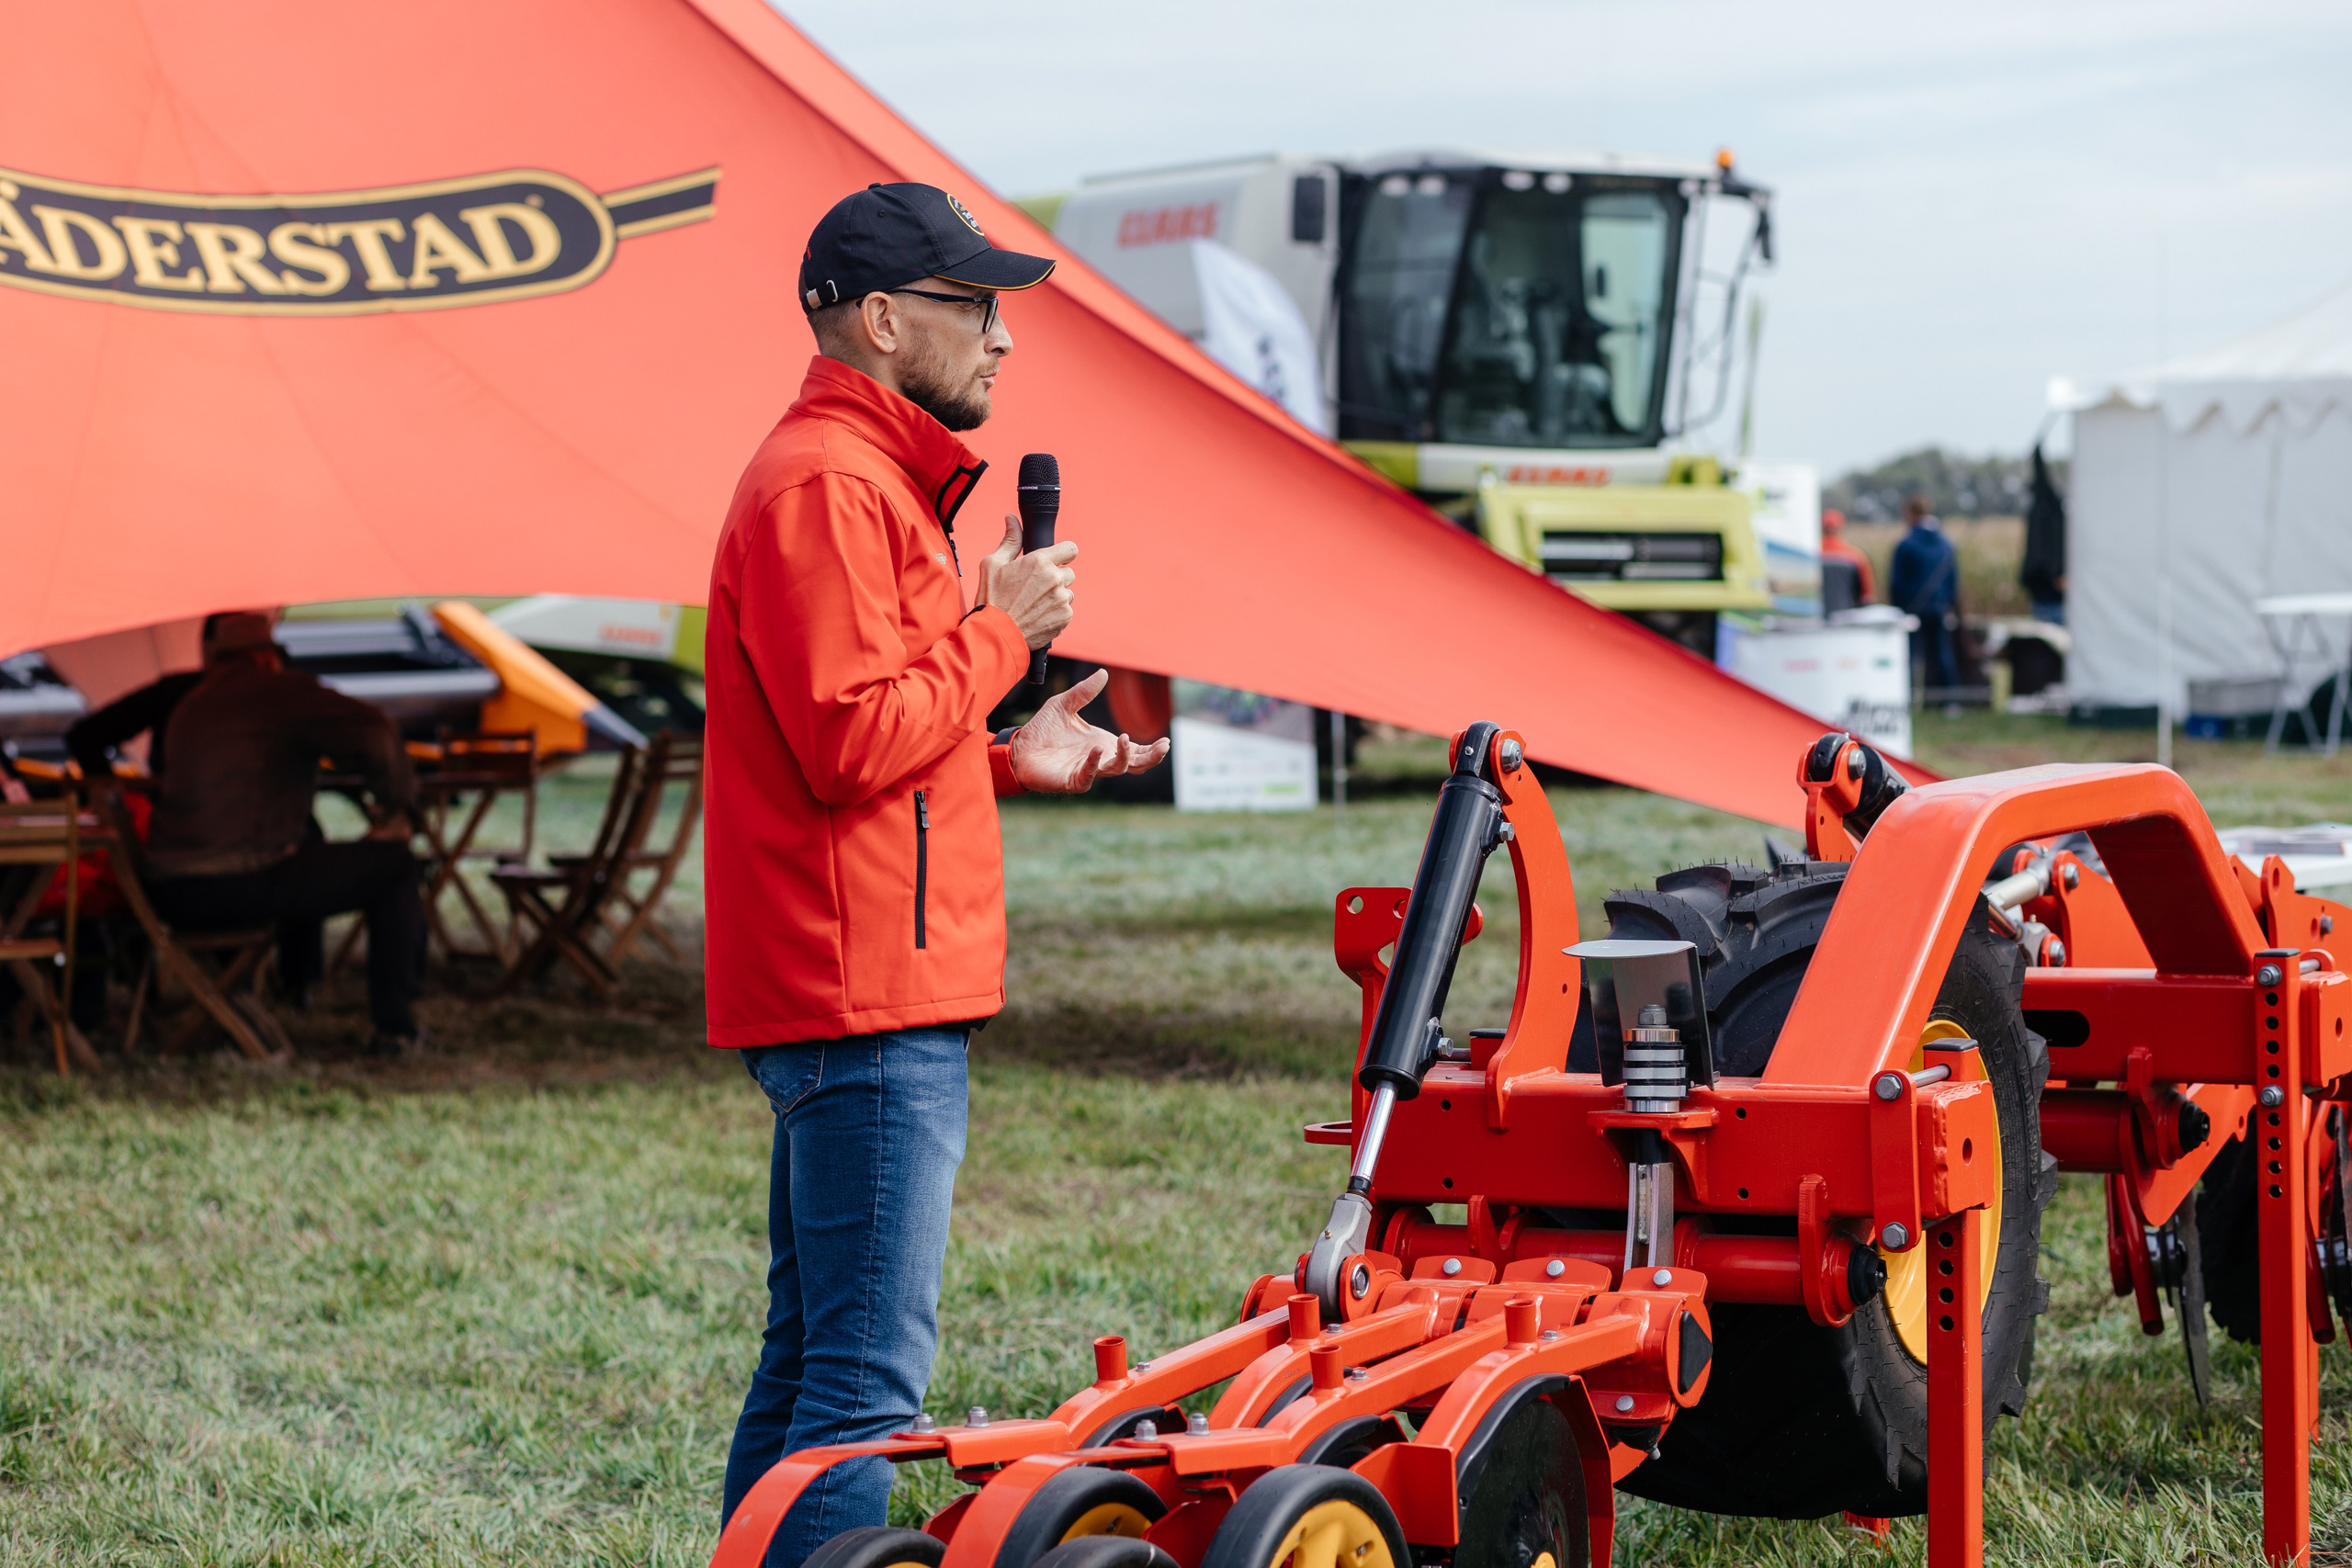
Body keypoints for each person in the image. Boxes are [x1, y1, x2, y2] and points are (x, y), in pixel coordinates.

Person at [704, 182, 1169, 1566]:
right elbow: (851, 740)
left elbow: (873, 725)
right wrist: (999, 636)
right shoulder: (831, 487)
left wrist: (1007, 739)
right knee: (861, 1390)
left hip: (866, 982)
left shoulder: (862, 480)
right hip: (866, 999)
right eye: (977, 308)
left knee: (812, 1366)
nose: (1003, 339)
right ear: (885, 317)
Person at [139, 612, 428, 1054]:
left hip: (170, 889)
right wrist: (395, 807)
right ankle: (396, 1026)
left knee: (309, 849)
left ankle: (297, 984)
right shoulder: (280, 694)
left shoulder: (192, 705)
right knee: (394, 866)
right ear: (267, 656)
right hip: (236, 881)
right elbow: (376, 732)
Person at [1888, 494, 1961, 694]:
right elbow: (1953, 580)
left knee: (1911, 656)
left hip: (1912, 609)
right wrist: (1951, 605)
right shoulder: (1947, 544)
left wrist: (1898, 607)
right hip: (1940, 607)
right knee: (1942, 654)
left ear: (1910, 513)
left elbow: (1897, 582)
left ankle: (1909, 698)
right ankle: (1949, 699)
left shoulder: (1906, 544)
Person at [1818, 507, 1875, 614]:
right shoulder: (1857, 556)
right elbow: (1867, 597)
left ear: (1822, 527)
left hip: (1818, 618)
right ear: (1841, 527)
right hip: (1847, 618)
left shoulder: (1812, 555)